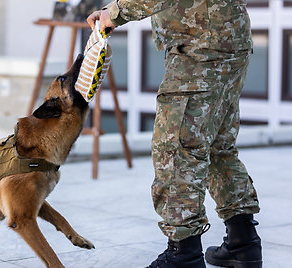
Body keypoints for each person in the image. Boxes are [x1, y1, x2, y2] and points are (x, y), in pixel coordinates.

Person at [87, 1, 262, 267]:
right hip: (231, 38)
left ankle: (184, 254)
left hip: (200, 49)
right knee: (217, 146)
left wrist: (114, 13)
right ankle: (243, 242)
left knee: (177, 151)